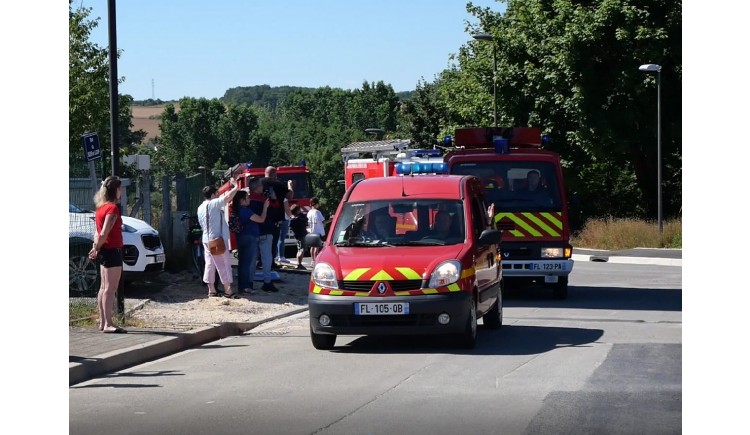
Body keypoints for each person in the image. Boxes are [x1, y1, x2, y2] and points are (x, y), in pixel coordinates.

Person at [88, 176, 127, 333]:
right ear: (116, 190)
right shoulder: (112, 209)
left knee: (103, 287)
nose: (122, 191)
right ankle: (108, 323)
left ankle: (103, 321)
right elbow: (104, 232)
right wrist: (97, 247)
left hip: (105, 250)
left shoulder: (100, 208)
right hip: (112, 250)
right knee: (111, 288)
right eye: (120, 188)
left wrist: (96, 247)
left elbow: (98, 233)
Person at [197, 177, 239, 298]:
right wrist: (235, 187)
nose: (218, 194)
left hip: (206, 239)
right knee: (224, 264)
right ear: (213, 194)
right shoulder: (214, 203)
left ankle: (211, 289)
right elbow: (227, 197)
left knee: (209, 264)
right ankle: (228, 290)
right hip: (217, 239)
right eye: (216, 193)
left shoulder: (200, 207)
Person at [231, 189, 270, 294]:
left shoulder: (237, 210)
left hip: (241, 237)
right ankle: (245, 287)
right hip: (250, 238)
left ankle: (242, 286)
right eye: (247, 197)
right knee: (247, 263)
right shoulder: (246, 211)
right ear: (241, 200)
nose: (249, 199)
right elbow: (261, 219)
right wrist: (265, 208)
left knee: (242, 263)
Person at [249, 177, 279, 292]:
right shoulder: (264, 200)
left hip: (252, 232)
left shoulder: (247, 200)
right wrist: (273, 198)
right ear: (257, 188)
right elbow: (275, 209)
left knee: (252, 259)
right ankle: (267, 282)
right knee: (267, 258)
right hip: (266, 231)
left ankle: (249, 282)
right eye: (261, 186)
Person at [261, 166, 289, 265]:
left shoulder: (259, 183)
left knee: (261, 240)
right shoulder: (280, 185)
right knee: (273, 240)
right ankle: (271, 262)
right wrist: (290, 187)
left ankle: (260, 260)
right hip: (276, 218)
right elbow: (289, 196)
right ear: (275, 174)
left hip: (260, 217)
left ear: (265, 172)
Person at [276, 187, 294, 264]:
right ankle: (281, 256)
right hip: (284, 220)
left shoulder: (276, 198)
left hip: (277, 220)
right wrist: (292, 216)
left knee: (277, 239)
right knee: (282, 239)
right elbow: (287, 210)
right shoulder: (284, 200)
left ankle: (276, 255)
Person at [289, 203, 308, 270]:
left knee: (300, 249)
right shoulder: (297, 220)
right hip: (301, 235)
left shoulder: (293, 219)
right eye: (299, 210)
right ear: (297, 211)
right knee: (301, 250)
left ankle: (299, 263)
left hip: (299, 235)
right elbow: (305, 220)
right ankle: (299, 264)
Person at [307, 197, 326, 265]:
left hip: (312, 231)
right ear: (316, 204)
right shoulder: (317, 212)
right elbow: (324, 221)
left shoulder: (309, 212)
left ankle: (313, 260)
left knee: (312, 247)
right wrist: (332, 219)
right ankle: (316, 260)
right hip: (318, 232)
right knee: (317, 248)